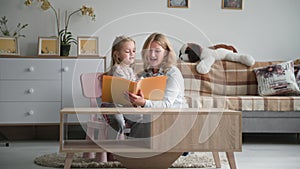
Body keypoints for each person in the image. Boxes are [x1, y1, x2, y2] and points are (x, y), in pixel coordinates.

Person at [127, 32, 188, 138]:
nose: (152, 55)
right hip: (154, 120)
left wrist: (144, 103)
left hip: (172, 122)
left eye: (157, 51)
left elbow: (166, 105)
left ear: (166, 53)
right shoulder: (144, 74)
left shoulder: (173, 73)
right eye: (149, 51)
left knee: (140, 129)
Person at [101, 35, 137, 139]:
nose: (132, 54)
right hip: (113, 106)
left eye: (134, 51)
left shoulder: (130, 70)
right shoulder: (117, 69)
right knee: (119, 121)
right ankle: (114, 146)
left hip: (125, 106)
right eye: (127, 51)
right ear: (117, 54)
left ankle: (133, 142)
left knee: (141, 117)